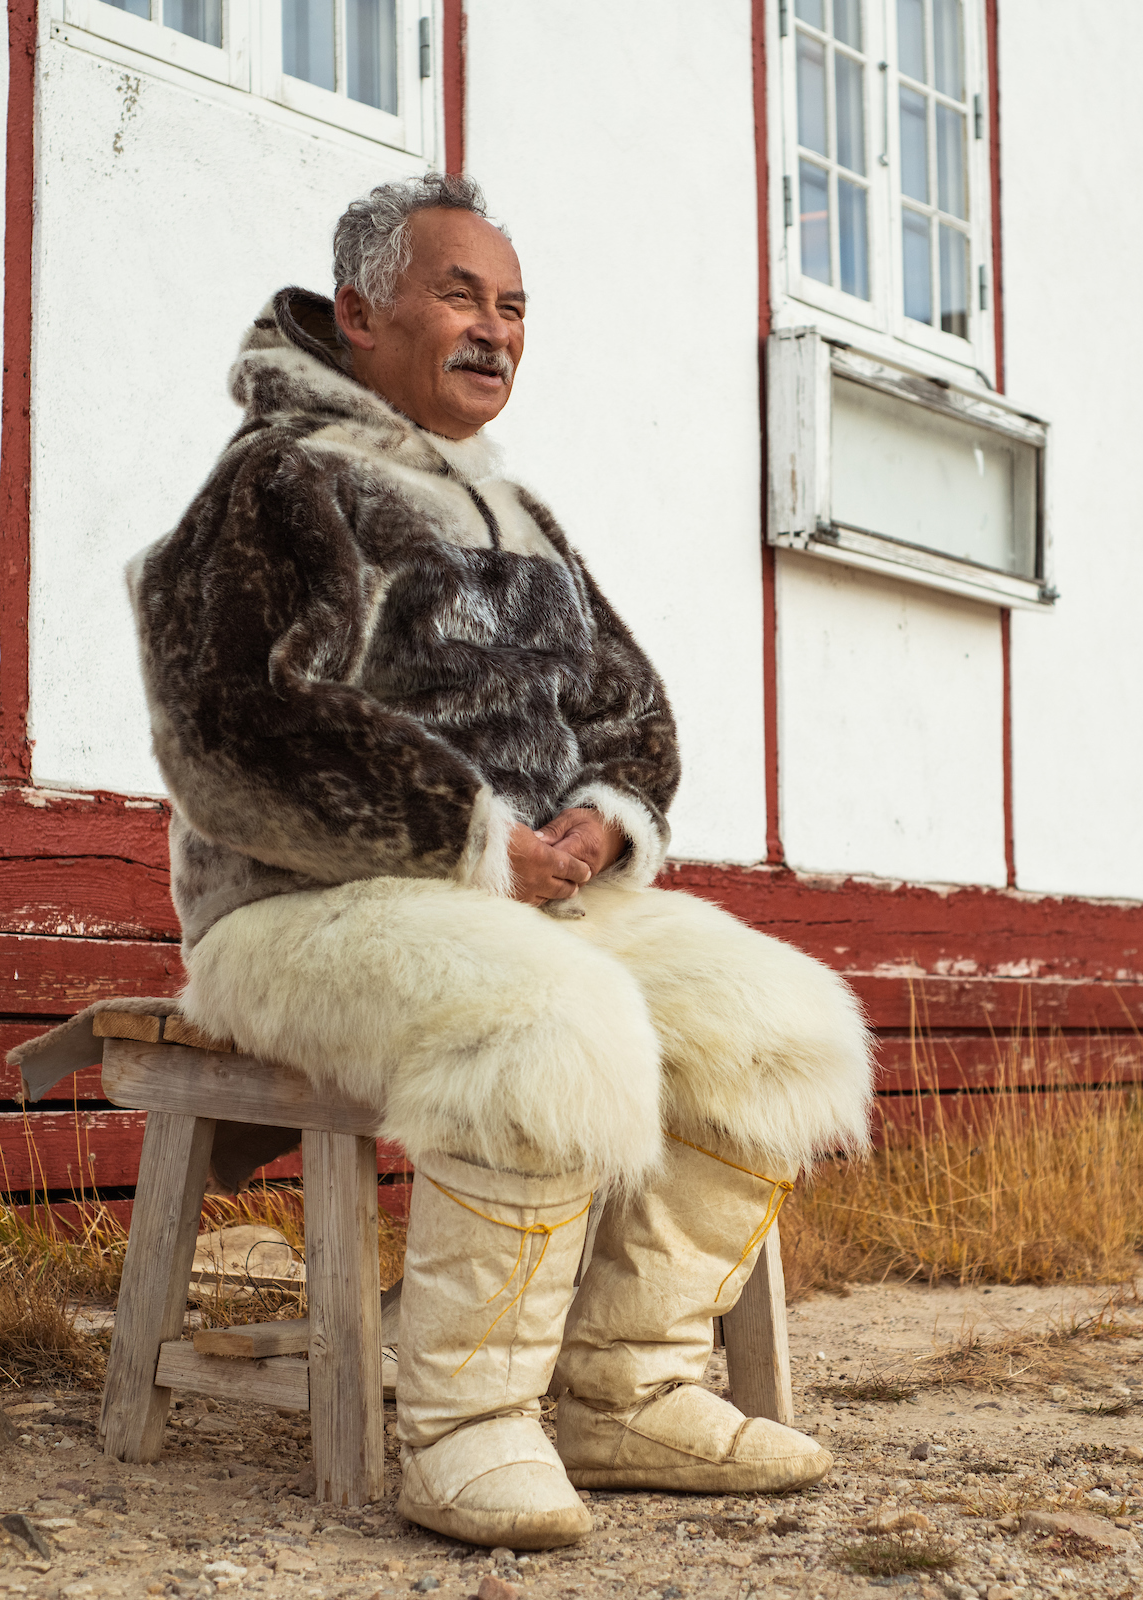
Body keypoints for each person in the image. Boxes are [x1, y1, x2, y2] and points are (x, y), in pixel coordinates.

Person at [128, 173, 872, 1550]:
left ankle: (621, 1391)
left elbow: (632, 710)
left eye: (514, 305)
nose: (495, 329)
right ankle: (464, 1428)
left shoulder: (517, 516)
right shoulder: (273, 487)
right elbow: (231, 728)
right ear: (359, 313)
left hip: (531, 904)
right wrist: (471, 839)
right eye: (459, 294)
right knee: (550, 1020)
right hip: (307, 909)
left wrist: (600, 816)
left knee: (781, 1030)